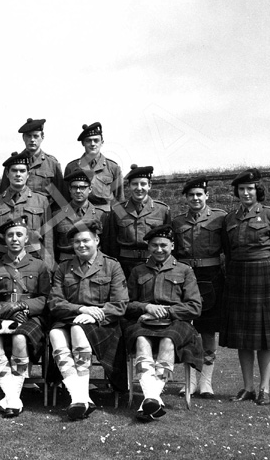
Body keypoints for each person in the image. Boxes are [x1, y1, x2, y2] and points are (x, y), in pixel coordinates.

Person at [48, 219, 128, 421]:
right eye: (76, 242)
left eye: (86, 241)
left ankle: (78, 397)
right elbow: (55, 302)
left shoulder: (112, 266)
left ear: (97, 240)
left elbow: (120, 304)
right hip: (71, 317)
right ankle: (81, 397)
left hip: (103, 324)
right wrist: (81, 309)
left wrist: (93, 314)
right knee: (55, 333)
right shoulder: (64, 268)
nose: (81, 245)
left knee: (77, 329)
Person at [220, 169, 270, 406]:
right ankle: (247, 387)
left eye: (250, 189)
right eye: (241, 189)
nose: (246, 193)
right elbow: (228, 252)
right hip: (238, 275)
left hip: (263, 275)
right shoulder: (230, 218)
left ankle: (264, 389)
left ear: (257, 190)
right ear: (237, 192)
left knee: (265, 338)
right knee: (243, 337)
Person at [125, 225, 203, 422]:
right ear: (148, 247)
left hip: (176, 323)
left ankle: (150, 398)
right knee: (141, 340)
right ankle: (152, 399)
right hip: (145, 322)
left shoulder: (185, 270)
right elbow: (127, 304)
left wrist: (168, 311)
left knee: (168, 341)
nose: (159, 250)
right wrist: (146, 307)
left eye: (163, 245)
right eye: (154, 246)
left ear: (172, 246)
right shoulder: (138, 271)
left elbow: (195, 307)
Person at [0, 216, 51, 417]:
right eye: (10, 235)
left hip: (30, 317)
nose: (14, 239)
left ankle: (10, 397)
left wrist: (23, 306)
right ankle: (13, 399)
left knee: (20, 337)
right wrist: (7, 311)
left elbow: (46, 298)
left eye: (19, 235)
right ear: (4, 239)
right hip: (0, 316)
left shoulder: (39, 265)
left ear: (26, 238)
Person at [172, 175, 226, 398]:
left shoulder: (220, 219)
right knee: (187, 328)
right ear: (185, 198)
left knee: (208, 329)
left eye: (199, 194)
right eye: (191, 195)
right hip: (185, 276)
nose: (195, 198)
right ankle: (190, 380)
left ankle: (206, 381)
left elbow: (228, 249)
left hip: (211, 277)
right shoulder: (177, 222)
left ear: (207, 196)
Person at [0, 151, 54, 270]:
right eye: (14, 171)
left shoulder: (41, 201)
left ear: (28, 174)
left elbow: (48, 240)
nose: (18, 174)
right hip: (2, 260)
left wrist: (48, 269)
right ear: (7, 174)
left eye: (22, 171)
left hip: (33, 258)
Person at [109, 165, 171, 278]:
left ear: (149, 186)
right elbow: (111, 242)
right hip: (124, 265)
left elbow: (169, 241)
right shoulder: (118, 209)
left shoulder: (162, 210)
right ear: (128, 186)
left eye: (143, 184)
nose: (139, 188)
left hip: (153, 263)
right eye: (134, 184)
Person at [0, 118, 64, 208]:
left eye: (35, 136)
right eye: (29, 136)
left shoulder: (52, 164)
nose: (32, 140)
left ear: (42, 137)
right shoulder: (13, 163)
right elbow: (3, 194)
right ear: (23, 138)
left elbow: (60, 199)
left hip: (43, 214)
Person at [52, 169, 110, 263]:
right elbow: (52, 246)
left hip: (94, 264)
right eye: (74, 187)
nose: (78, 191)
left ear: (90, 189)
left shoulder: (102, 215)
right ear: (69, 189)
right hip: (66, 264)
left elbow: (107, 245)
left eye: (83, 187)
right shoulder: (57, 215)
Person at [64, 122, 124, 211]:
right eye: (88, 140)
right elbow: (66, 198)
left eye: (96, 140)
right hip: (79, 215)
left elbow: (119, 199)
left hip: (105, 217)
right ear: (83, 143)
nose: (92, 144)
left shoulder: (113, 167)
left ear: (102, 142)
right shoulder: (72, 167)